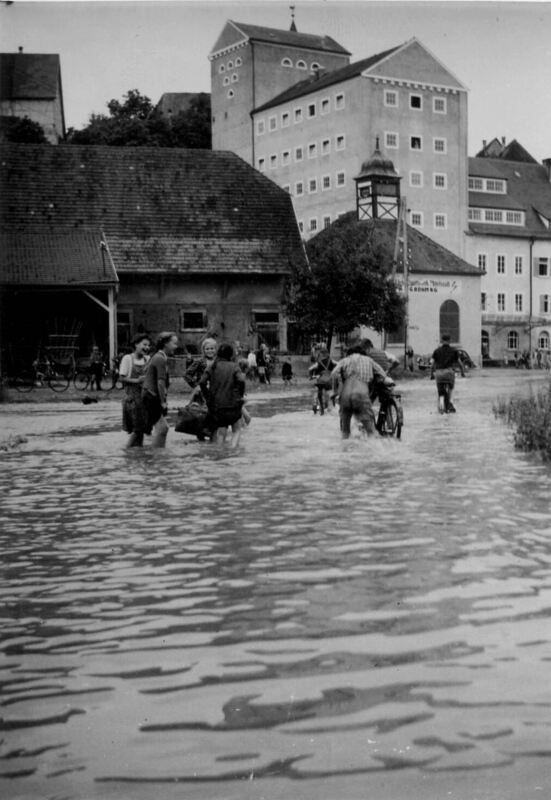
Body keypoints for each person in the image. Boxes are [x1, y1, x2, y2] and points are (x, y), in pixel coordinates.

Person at [331, 345, 387, 438]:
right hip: (361, 393)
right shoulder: (369, 360)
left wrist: (335, 391)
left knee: (345, 433)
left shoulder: (345, 360)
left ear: (349, 354)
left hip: (346, 394)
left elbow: (334, 374)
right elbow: (382, 374)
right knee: (370, 432)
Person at [199, 342, 246, 446]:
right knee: (237, 430)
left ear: (218, 353)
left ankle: (220, 452)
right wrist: (240, 395)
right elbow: (241, 380)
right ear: (231, 354)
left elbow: (202, 382)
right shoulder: (234, 366)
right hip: (233, 404)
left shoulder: (212, 366)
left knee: (221, 433)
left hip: (217, 406)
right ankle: (233, 451)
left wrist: (207, 396)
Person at [142, 331, 179, 448]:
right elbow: (160, 382)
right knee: (162, 428)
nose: (176, 346)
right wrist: (162, 402)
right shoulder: (160, 358)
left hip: (150, 395)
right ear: (166, 344)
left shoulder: (159, 357)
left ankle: (146, 451)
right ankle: (157, 453)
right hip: (151, 396)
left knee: (151, 429)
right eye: (174, 343)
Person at [119, 334, 151, 447]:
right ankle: (126, 451)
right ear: (136, 344)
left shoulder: (148, 359)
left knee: (141, 431)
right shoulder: (128, 358)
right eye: (144, 344)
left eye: (148, 345)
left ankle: (138, 453)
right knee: (137, 430)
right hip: (132, 400)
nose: (147, 347)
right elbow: (121, 378)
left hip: (145, 400)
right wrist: (137, 380)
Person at [430, 334, 460, 413]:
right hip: (449, 373)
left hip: (439, 374)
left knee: (440, 388)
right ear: (450, 341)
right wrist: (463, 372)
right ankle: (450, 402)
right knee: (451, 388)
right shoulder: (454, 351)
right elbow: (459, 363)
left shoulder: (436, 351)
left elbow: (432, 364)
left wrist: (431, 374)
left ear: (442, 341)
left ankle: (441, 404)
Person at [308, 348, 337, 415]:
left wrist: (311, 377)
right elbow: (338, 364)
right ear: (327, 354)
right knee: (331, 392)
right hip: (329, 380)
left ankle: (315, 404)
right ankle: (331, 399)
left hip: (320, 381)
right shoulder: (331, 361)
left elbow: (310, 369)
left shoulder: (318, 363)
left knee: (316, 392)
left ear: (321, 354)